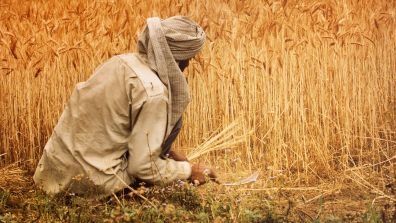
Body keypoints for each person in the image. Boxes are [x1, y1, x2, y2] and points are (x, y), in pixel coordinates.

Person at [33, 16, 217, 196]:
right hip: (91, 184)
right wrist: (188, 170)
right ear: (174, 57)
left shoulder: (119, 62)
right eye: (188, 57)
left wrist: (168, 155)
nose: (189, 63)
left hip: (51, 174)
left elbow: (110, 126)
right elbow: (142, 168)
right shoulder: (154, 93)